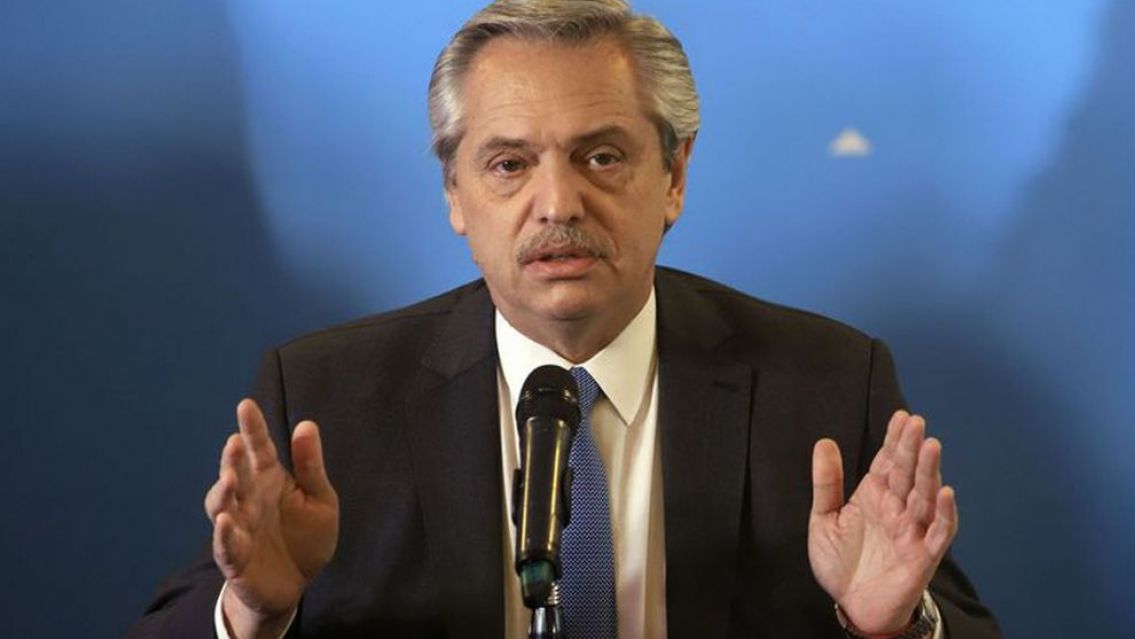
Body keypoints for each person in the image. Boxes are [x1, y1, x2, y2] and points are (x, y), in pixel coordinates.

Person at [131, 1, 1001, 637]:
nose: (557, 203)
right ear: (455, 194)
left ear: (673, 176)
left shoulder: (824, 385)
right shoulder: (329, 398)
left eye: (601, 156)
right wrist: (253, 612)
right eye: (509, 164)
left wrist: (891, 625)